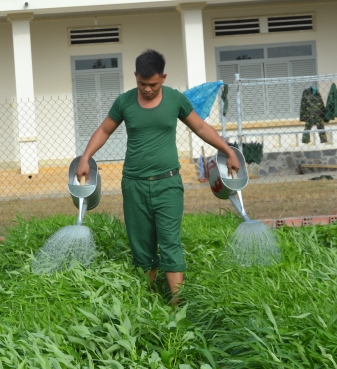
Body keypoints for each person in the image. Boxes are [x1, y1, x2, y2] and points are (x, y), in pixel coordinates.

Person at [76, 50, 239, 302]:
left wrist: (227, 151)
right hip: (134, 184)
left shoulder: (175, 99)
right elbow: (104, 130)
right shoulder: (124, 102)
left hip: (168, 183)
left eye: (153, 84)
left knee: (170, 240)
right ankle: (150, 298)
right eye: (142, 83)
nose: (147, 89)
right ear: (135, 77)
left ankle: (176, 302)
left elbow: (201, 127)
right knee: (141, 243)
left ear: (163, 77)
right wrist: (85, 157)